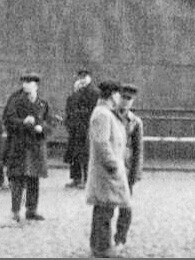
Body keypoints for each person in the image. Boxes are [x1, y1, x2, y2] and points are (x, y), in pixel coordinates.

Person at [86, 80, 130, 259]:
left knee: (106, 208)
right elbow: (101, 142)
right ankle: (101, 247)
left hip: (109, 171)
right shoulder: (102, 114)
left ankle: (99, 245)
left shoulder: (106, 113)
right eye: (118, 94)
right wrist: (113, 165)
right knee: (104, 209)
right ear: (113, 95)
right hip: (107, 172)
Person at [3, 72, 51, 223]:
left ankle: (32, 209)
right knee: (17, 178)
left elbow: (50, 122)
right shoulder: (15, 101)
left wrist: (42, 127)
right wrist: (23, 122)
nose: (25, 85)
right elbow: (8, 119)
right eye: (24, 82)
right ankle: (15, 210)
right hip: (20, 144)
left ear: (36, 85)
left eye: (29, 82)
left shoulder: (43, 103)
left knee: (34, 178)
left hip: (36, 145)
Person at [114, 83, 144, 252]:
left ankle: (120, 239)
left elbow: (138, 150)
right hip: (111, 168)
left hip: (126, 170)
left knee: (125, 206)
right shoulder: (109, 116)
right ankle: (103, 240)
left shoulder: (135, 122)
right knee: (106, 206)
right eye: (123, 97)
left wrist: (135, 174)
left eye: (129, 99)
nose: (125, 102)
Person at [64, 69, 98, 189]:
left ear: (89, 78)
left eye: (85, 77)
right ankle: (76, 178)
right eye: (80, 77)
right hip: (75, 128)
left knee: (86, 155)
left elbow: (92, 110)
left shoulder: (94, 92)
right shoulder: (76, 92)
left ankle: (88, 180)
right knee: (75, 154)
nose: (82, 79)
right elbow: (70, 106)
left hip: (86, 128)